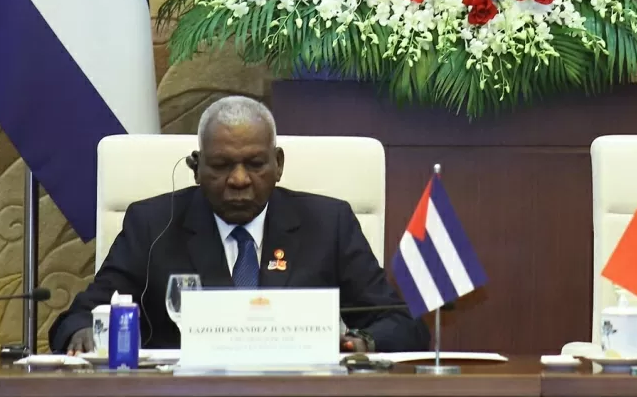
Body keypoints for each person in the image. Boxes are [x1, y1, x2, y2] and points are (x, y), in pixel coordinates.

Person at [48, 96, 429, 354]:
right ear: (196, 167)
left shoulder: (329, 224)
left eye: (256, 164)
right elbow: (78, 318)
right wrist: (84, 335)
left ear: (278, 164)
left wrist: (363, 342)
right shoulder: (152, 224)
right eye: (221, 166)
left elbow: (402, 324)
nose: (239, 179)